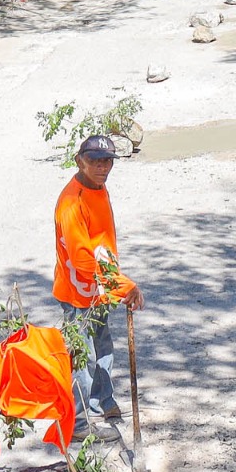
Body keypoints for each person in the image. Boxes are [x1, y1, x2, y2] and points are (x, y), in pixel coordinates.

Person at [53, 134, 144, 438]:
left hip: (99, 290)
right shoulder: (72, 203)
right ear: (80, 161)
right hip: (78, 292)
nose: (102, 167)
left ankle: (102, 402)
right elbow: (82, 261)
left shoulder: (99, 188)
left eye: (107, 161)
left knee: (103, 346)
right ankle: (79, 424)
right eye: (95, 161)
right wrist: (124, 286)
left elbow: (101, 244)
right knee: (83, 357)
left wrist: (114, 286)